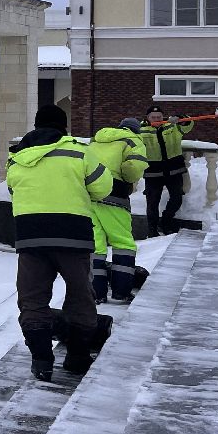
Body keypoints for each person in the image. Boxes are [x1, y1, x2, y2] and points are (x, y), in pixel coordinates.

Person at [7, 104, 113, 381]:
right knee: (80, 296)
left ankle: (41, 360)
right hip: (72, 236)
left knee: (32, 299)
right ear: (63, 127)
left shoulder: (18, 156)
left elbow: (12, 187)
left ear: (36, 125)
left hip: (31, 237)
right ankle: (77, 358)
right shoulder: (78, 151)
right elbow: (103, 187)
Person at [87, 116, 149, 304]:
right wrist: (127, 179)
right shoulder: (134, 140)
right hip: (115, 194)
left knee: (96, 245)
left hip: (89, 195)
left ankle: (96, 293)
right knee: (123, 244)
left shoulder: (97, 139)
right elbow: (133, 167)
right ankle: (121, 291)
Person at [139, 105, 194, 236]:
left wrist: (180, 118)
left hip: (174, 169)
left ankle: (165, 221)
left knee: (177, 198)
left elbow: (188, 124)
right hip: (153, 172)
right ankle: (152, 231)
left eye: (158, 116)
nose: (157, 119)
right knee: (152, 203)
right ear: (148, 118)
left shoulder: (172, 125)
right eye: (153, 117)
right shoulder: (140, 131)